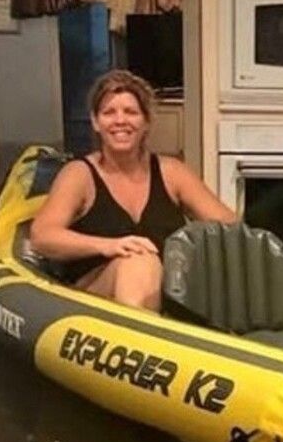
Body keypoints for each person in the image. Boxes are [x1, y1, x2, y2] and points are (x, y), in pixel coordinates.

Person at [30, 70, 236, 311]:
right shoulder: (79, 174)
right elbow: (43, 236)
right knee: (138, 260)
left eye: (131, 112)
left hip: (165, 290)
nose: (120, 120)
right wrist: (108, 245)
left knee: (153, 266)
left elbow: (229, 226)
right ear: (96, 122)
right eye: (109, 112)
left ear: (146, 122)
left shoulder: (172, 172)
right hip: (94, 297)